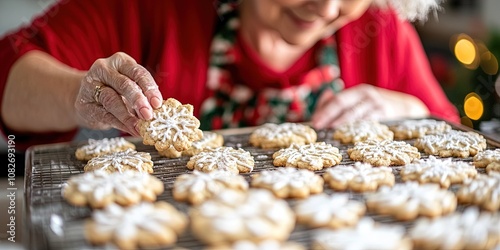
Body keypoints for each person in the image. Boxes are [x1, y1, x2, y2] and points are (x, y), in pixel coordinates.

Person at [0, 0, 459, 151]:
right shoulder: (152, 8)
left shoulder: (378, 29)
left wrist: (411, 112)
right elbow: (9, 72)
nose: (327, 8)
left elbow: (450, 135)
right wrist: (77, 94)